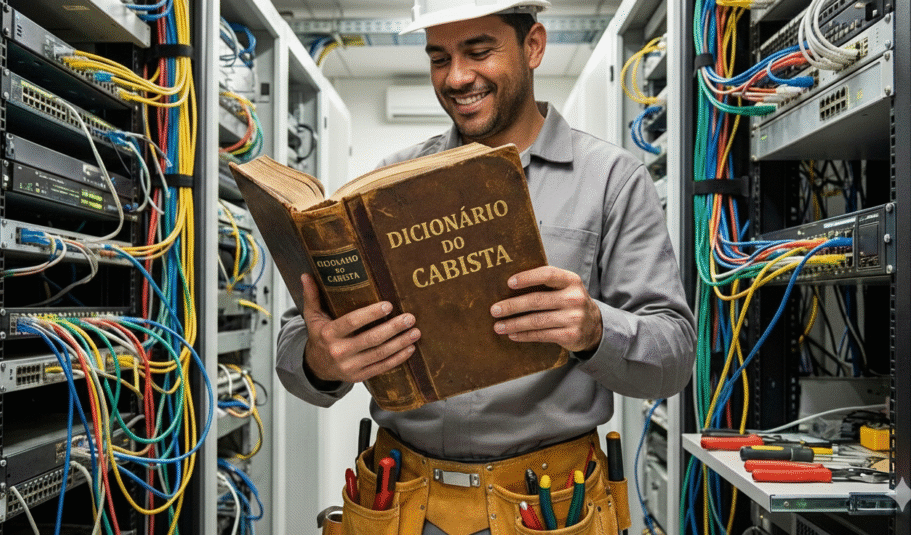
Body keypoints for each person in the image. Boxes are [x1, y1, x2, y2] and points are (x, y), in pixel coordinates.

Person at [277, 1, 696, 533]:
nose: (456, 77)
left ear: (534, 46)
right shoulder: (387, 183)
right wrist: (321, 358)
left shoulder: (612, 180)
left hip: (548, 507)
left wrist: (594, 328)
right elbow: (296, 351)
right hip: (400, 501)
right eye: (439, 58)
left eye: (479, 51)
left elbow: (675, 356)